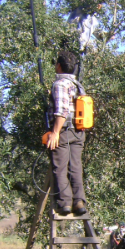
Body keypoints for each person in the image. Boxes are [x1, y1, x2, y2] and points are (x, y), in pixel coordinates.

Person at [46, 50, 87, 216]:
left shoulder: (60, 84)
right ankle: (79, 202)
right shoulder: (78, 85)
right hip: (79, 131)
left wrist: (55, 132)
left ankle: (64, 204)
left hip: (64, 130)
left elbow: (62, 111)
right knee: (76, 167)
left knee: (60, 167)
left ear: (59, 66)